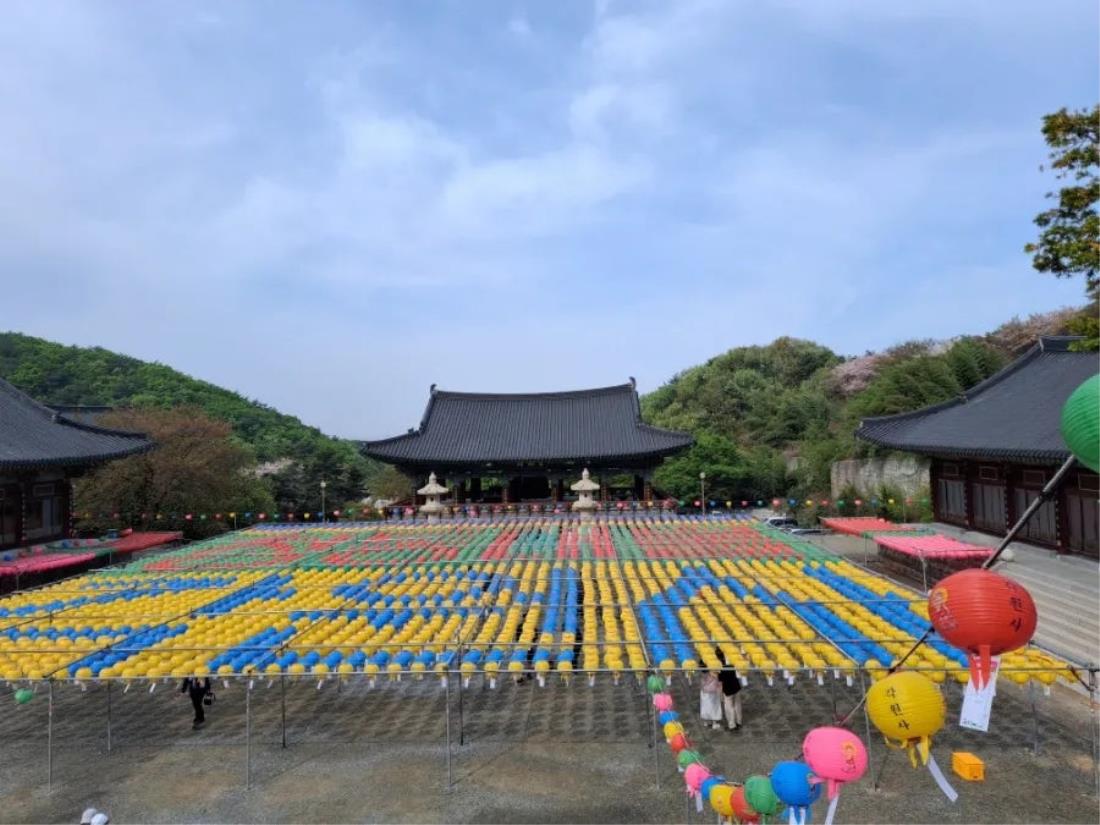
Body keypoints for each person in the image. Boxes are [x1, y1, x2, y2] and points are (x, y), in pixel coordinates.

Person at [714, 647, 743, 731]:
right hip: (736, 686)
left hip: (727, 689)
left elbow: (720, 680)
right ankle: (739, 722)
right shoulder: (731, 662)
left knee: (729, 707)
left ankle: (732, 725)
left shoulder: (719, 667)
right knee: (737, 705)